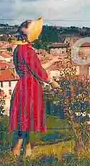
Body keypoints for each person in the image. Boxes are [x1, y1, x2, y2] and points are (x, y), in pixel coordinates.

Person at [9, 17, 60, 156]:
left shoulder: (18, 49)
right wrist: (52, 82)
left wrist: (52, 61)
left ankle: (27, 153)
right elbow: (37, 71)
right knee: (25, 123)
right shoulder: (28, 51)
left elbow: (32, 68)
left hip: (22, 86)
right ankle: (16, 155)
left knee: (25, 123)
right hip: (30, 88)